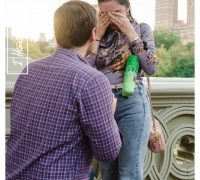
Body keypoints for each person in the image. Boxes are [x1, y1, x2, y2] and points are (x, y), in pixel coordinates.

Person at [6, 1, 122, 179]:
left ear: (56, 33)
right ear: (93, 33)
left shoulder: (28, 71)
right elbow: (108, 153)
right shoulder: (92, 80)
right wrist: (109, 113)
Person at [86, 0, 159, 179]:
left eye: (117, 12)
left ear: (128, 8)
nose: (111, 18)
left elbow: (152, 67)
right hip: (102, 103)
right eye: (104, 13)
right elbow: (83, 69)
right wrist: (97, 36)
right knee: (108, 172)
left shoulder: (141, 29)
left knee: (129, 171)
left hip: (132, 102)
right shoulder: (94, 32)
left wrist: (130, 33)